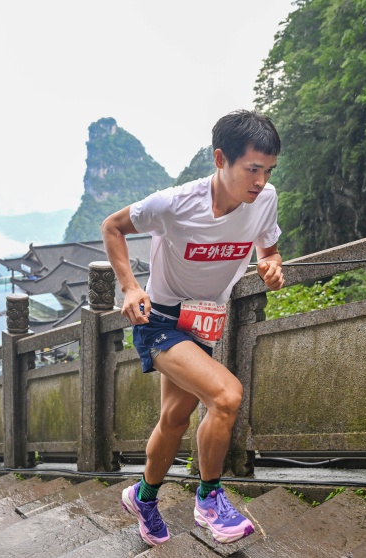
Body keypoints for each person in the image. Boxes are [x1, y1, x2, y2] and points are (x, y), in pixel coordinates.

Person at [102, 110, 285, 547]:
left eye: (268, 170)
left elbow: (270, 247)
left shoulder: (265, 199)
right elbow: (112, 226)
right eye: (252, 169)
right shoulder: (176, 203)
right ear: (221, 159)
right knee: (226, 396)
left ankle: (143, 497)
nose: (260, 181)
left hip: (203, 323)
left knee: (175, 417)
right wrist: (129, 287)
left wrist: (272, 264)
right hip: (161, 320)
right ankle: (209, 498)